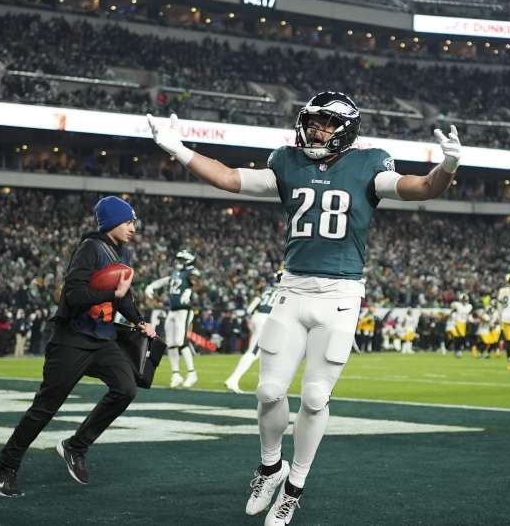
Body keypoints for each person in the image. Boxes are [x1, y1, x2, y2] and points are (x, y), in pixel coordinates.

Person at [147, 92, 460, 525]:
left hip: (340, 296)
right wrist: (179, 149)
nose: (317, 130)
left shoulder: (371, 163)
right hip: (292, 290)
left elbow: (423, 188)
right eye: (313, 122)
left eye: (327, 124)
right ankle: (270, 467)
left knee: (314, 397)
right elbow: (229, 178)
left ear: (346, 129)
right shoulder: (287, 162)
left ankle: (294, 485)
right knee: (268, 391)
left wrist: (448, 166)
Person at [0, 196, 157, 498]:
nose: (133, 227)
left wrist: (140, 320)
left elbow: (122, 297)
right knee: (45, 408)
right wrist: (109, 289)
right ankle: (4, 467)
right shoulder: (89, 249)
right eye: (128, 221)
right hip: (72, 340)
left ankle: (75, 446)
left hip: (102, 339)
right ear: (111, 222)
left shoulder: (122, 252)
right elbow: (75, 295)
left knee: (126, 388)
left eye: (133, 221)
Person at [144, 249, 202, 388]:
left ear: (188, 261)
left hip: (184, 310)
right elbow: (167, 280)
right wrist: (152, 286)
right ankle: (175, 374)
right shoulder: (177, 273)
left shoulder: (191, 272)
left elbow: (199, 285)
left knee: (181, 342)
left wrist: (189, 291)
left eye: (181, 260)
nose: (178, 262)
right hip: (172, 310)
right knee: (170, 343)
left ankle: (192, 373)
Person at [225, 270, 283, 394]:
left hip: (258, 317)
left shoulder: (267, 288)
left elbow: (254, 303)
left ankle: (263, 384)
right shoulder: (285, 291)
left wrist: (248, 316)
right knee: (253, 352)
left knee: (264, 353)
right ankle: (233, 379)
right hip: (267, 319)